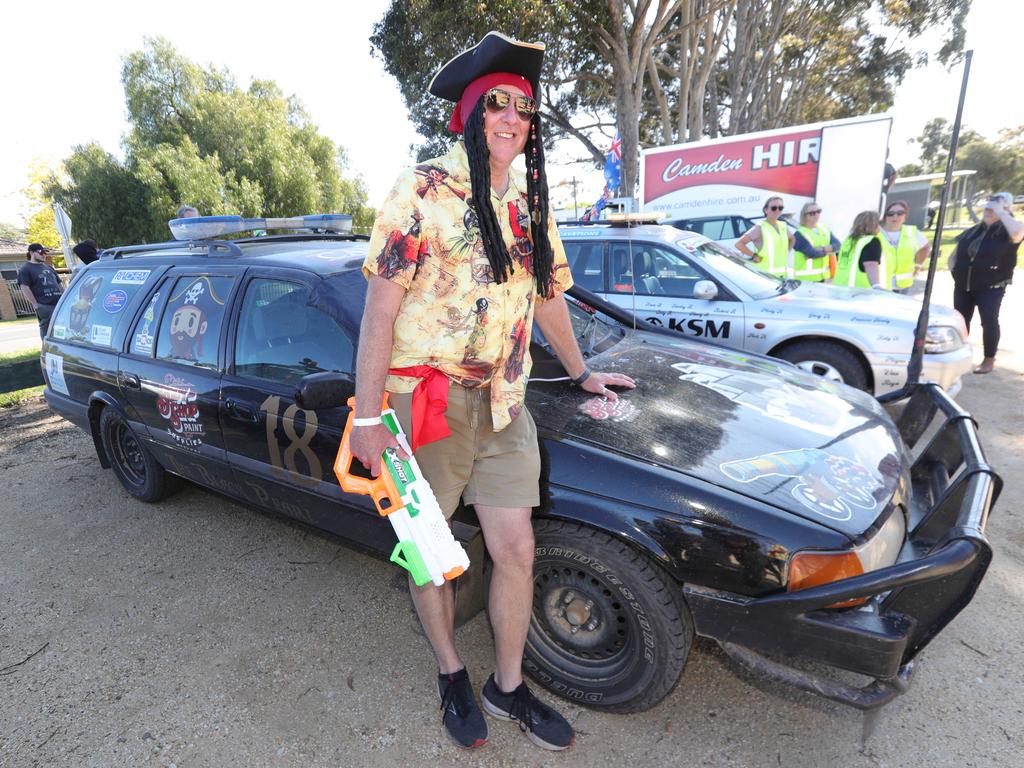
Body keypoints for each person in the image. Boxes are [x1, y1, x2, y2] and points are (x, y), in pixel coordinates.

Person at [348, 31, 635, 751]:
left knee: (517, 547)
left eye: (524, 109)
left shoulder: (532, 202)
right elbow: (378, 313)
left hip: (506, 401)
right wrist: (366, 416)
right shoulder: (419, 190)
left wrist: (579, 371)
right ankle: (450, 670)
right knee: (429, 550)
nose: (513, 118)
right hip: (427, 401)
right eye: (497, 105)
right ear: (470, 115)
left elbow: (547, 298)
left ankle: (506, 686)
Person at [950, 192, 1024, 374]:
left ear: (1007, 208)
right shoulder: (974, 231)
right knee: (960, 321)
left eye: (995, 207)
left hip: (991, 287)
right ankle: (960, 357)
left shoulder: (1010, 230)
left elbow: (1017, 233)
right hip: (963, 286)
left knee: (989, 322)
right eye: (988, 207)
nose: (989, 211)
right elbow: (954, 255)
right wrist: (955, 272)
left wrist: (1003, 212)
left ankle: (988, 360)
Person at [735, 196, 795, 278]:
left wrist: (786, 252)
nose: (777, 210)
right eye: (774, 208)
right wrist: (753, 256)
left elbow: (792, 239)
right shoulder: (759, 227)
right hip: (765, 278)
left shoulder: (783, 225)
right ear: (766, 210)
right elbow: (739, 244)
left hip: (782, 276)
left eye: (780, 208)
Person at [879, 200, 930, 293]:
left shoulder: (912, 232)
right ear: (884, 216)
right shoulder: (876, 232)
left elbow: (926, 247)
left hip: (902, 286)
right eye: (890, 214)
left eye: (900, 213)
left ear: (905, 216)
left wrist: (918, 265)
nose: (895, 216)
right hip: (880, 284)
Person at [17, 243, 65, 339]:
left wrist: (65, 299)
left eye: (45, 253)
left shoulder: (49, 267)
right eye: (41, 252)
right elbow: (24, 287)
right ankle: (46, 349)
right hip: (44, 305)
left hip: (59, 304)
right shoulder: (26, 269)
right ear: (32, 253)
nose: (44, 255)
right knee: (47, 330)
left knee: (62, 328)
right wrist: (36, 304)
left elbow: (59, 284)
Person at [834, 211, 887, 290]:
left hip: (840, 288)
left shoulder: (848, 240)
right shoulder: (872, 241)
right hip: (860, 292)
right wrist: (876, 286)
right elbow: (870, 264)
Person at [792, 202, 840, 282]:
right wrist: (829, 250)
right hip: (806, 280)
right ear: (805, 216)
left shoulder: (824, 228)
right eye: (812, 213)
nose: (816, 215)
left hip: (824, 278)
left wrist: (822, 248)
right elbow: (812, 253)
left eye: (818, 211)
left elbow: (838, 245)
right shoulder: (799, 234)